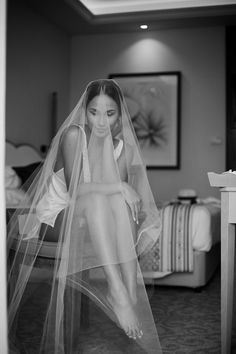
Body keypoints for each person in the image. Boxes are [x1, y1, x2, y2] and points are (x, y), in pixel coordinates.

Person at [7, 79, 162, 353]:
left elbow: (120, 205)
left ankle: (127, 293)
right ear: (85, 111)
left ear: (119, 115)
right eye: (94, 112)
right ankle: (117, 289)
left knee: (116, 205)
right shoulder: (73, 136)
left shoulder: (122, 148)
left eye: (110, 113)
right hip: (55, 218)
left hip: (92, 219)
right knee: (96, 200)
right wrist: (119, 185)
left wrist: (121, 191)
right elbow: (77, 191)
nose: (101, 121)